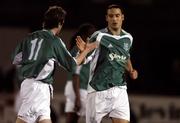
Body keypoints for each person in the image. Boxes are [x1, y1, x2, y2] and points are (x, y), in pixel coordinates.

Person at [11, 6, 97, 123]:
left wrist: (34, 61)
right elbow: (72, 65)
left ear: (45, 22)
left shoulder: (29, 37)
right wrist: (86, 51)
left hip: (35, 87)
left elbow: (15, 59)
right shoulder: (55, 41)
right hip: (38, 87)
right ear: (61, 23)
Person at [76, 4, 138, 123]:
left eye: (117, 15)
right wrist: (84, 52)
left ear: (122, 17)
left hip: (119, 89)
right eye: (111, 16)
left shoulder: (128, 38)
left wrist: (131, 70)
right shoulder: (99, 36)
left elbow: (125, 56)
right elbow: (82, 60)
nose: (114, 19)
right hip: (98, 90)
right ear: (106, 18)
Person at [64, 23, 96, 123]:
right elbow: (75, 75)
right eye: (91, 35)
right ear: (84, 36)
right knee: (93, 119)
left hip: (77, 88)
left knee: (72, 120)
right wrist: (78, 97)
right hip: (78, 89)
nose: (94, 38)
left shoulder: (80, 49)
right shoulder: (79, 50)